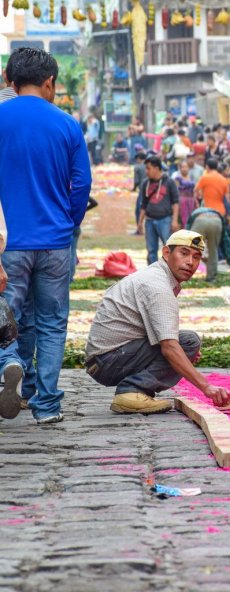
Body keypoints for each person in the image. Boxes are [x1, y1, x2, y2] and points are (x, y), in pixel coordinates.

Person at [0, 47, 92, 424]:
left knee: (8, 314)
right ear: (50, 82)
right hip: (55, 242)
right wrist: (67, 225)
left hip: (10, 243)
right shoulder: (68, 124)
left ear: (10, 81)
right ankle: (47, 406)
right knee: (53, 322)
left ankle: (10, 362)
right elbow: (82, 184)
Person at [85, 230, 230, 414]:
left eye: (196, 257)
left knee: (185, 343)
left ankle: (133, 390)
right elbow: (169, 347)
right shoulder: (158, 287)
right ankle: (132, 391)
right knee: (187, 343)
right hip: (108, 361)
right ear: (167, 253)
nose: (190, 262)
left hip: (105, 359)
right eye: (184, 253)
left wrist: (181, 353)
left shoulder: (156, 276)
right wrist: (206, 387)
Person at [137, 155, 180, 264]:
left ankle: (169, 274)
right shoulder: (145, 184)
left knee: (169, 249)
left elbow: (175, 202)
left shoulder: (169, 182)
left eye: (148, 168)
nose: (146, 171)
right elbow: (143, 204)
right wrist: (140, 222)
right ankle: (152, 275)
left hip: (165, 220)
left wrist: (174, 220)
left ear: (156, 168)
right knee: (151, 250)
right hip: (150, 220)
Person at [187, 207, 230, 282]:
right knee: (213, 251)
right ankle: (211, 279)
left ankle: (186, 276)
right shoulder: (217, 213)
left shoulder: (194, 213)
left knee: (191, 250)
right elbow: (226, 243)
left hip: (199, 221)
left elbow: (185, 237)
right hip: (216, 221)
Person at [172, 160, 196, 228]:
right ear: (180, 168)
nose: (184, 169)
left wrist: (195, 201)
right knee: (184, 219)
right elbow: (175, 191)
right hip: (182, 201)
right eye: (183, 167)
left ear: (188, 168)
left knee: (192, 219)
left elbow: (194, 190)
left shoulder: (191, 177)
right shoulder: (177, 178)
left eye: (186, 167)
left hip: (191, 201)